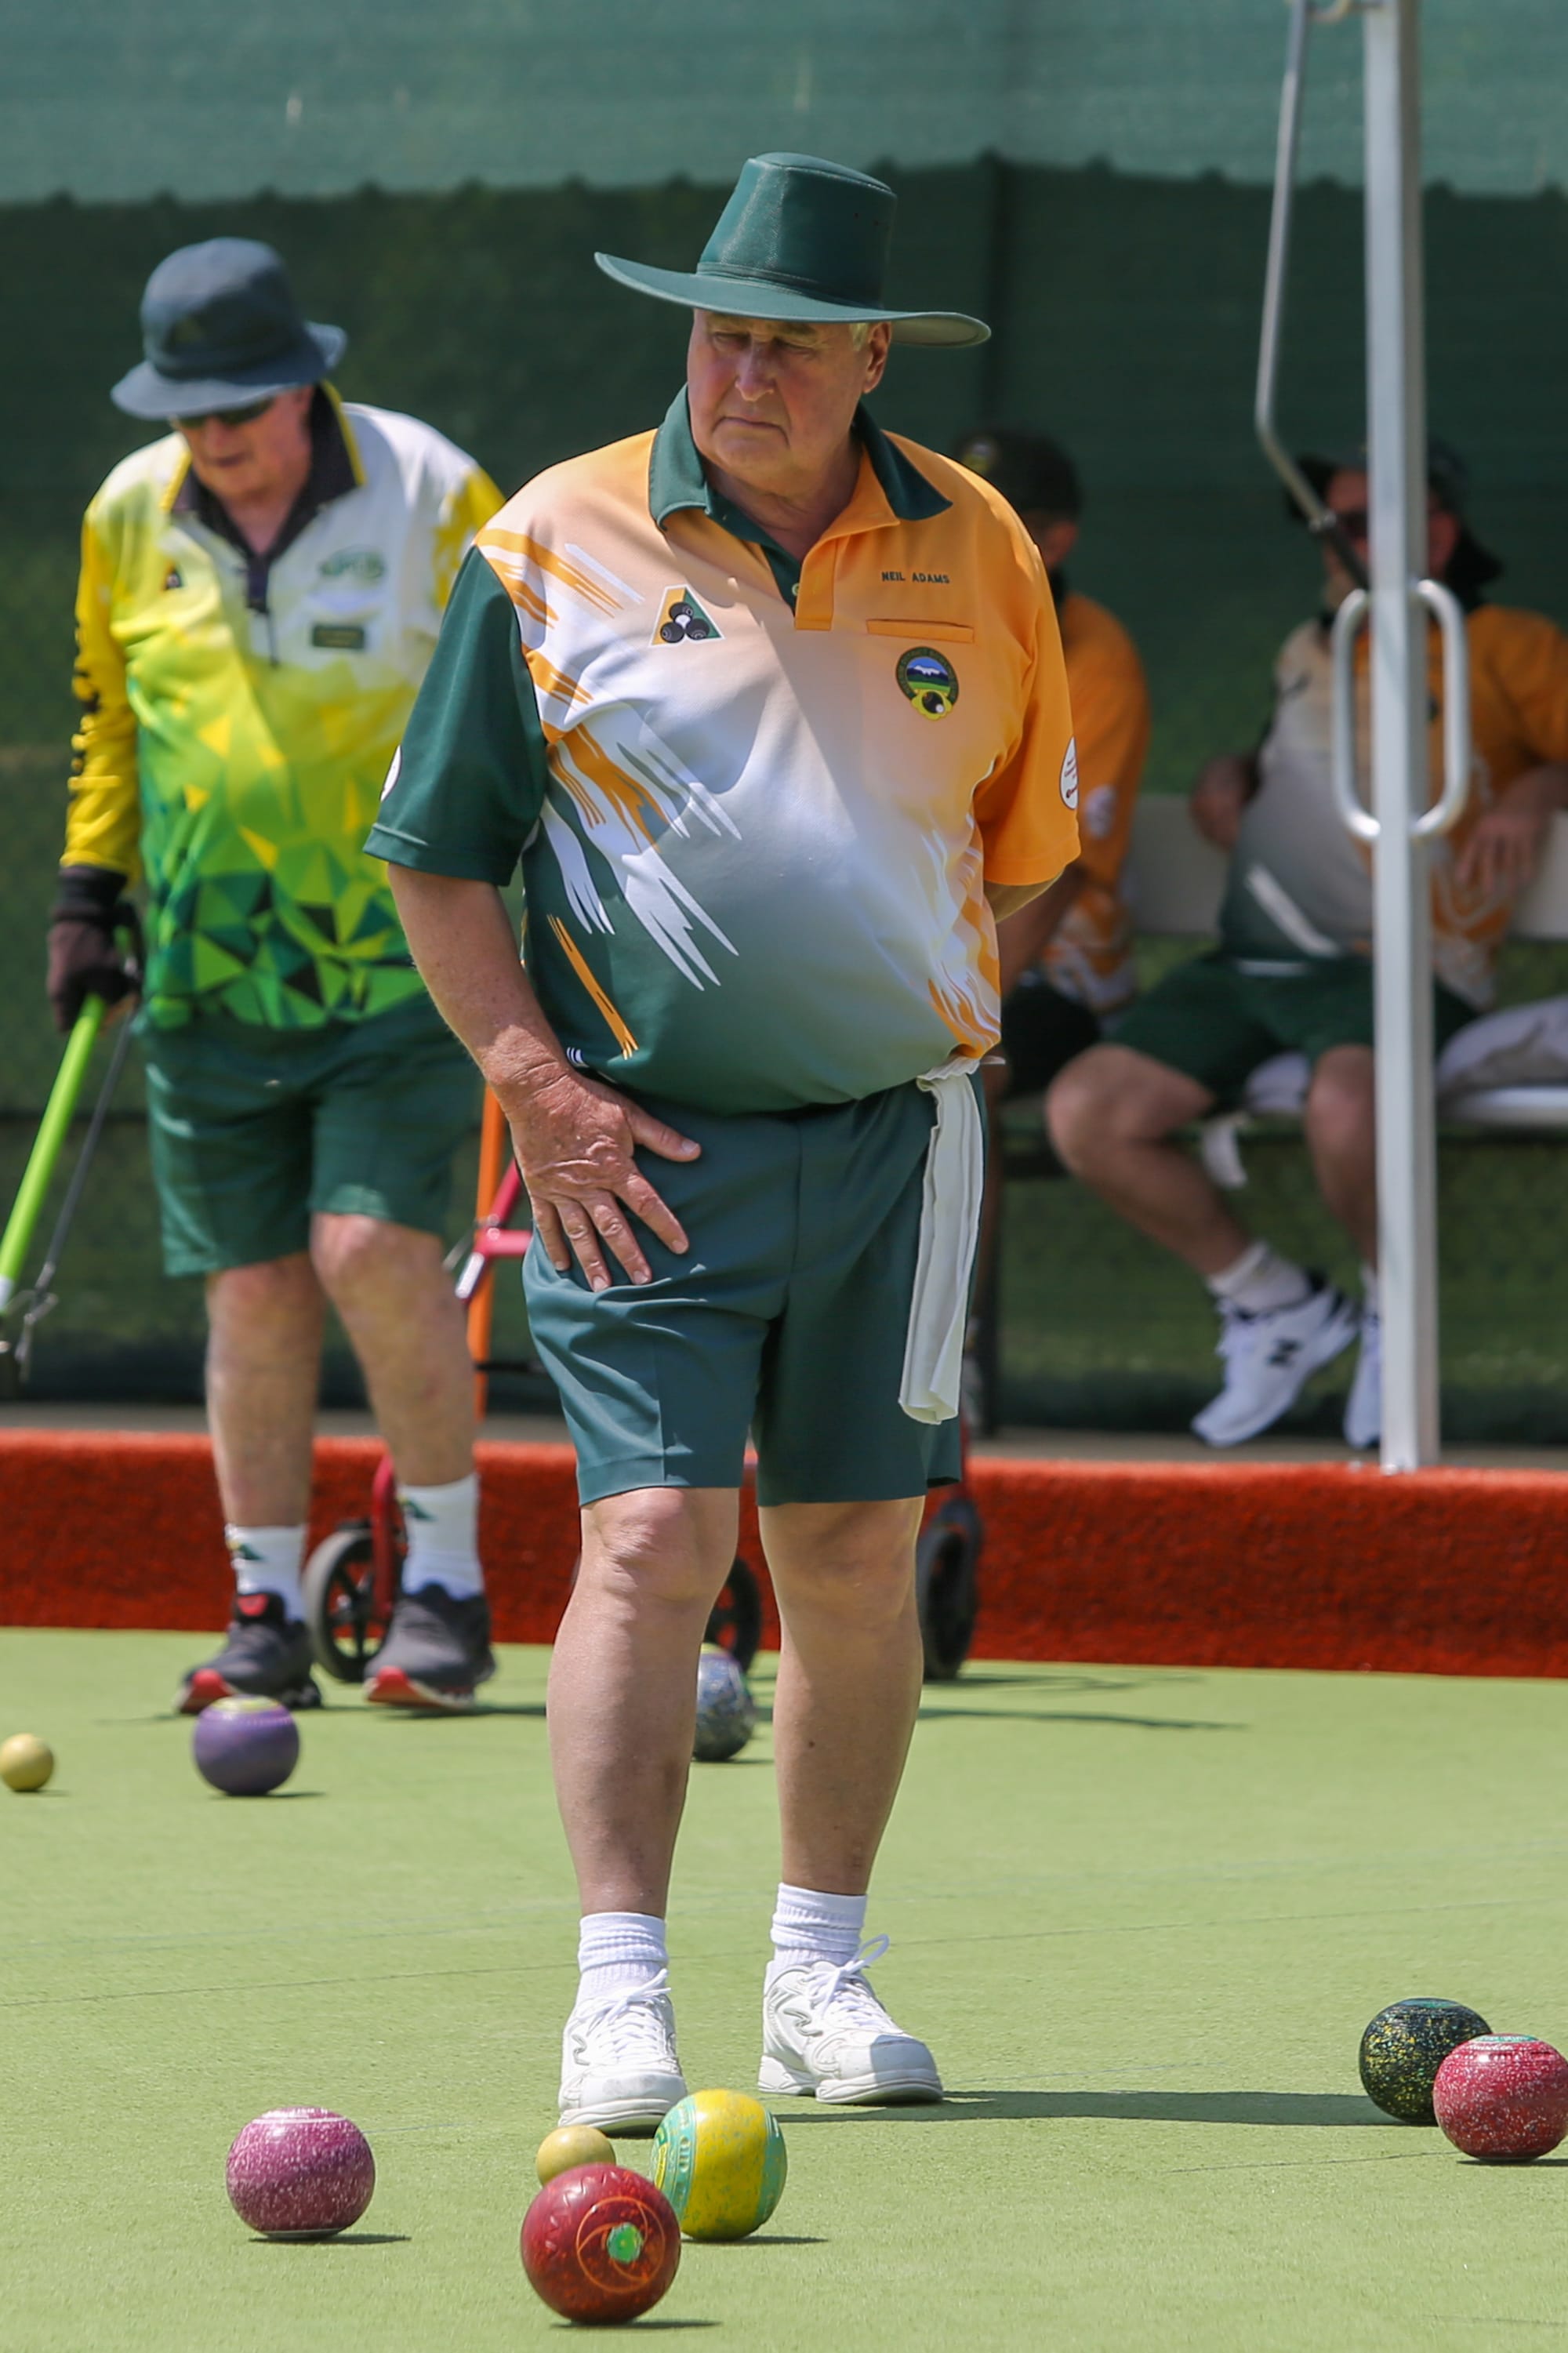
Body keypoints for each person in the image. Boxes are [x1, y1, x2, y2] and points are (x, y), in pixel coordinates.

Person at [368, 153, 1078, 2126]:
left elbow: (1024, 847)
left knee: (852, 1550)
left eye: (782, 338)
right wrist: (536, 1084)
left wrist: (926, 1022)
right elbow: (438, 860)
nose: (738, 367)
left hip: (894, 1149)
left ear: (867, 356)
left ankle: (817, 1978)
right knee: (655, 1539)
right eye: (714, 327)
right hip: (633, 1151)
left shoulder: (985, 543)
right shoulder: (550, 536)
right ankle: (615, 1991)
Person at [50, 238, 504, 1712]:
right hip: (202, 971)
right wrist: (87, 892)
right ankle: (261, 1608)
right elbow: (105, 722)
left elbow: (534, 705)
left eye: (237, 406)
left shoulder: (440, 492)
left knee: (365, 1251)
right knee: (250, 1292)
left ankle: (445, 1582)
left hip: (403, 959)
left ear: (305, 380)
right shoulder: (126, 511)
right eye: (185, 411)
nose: (211, 438)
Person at [1047, 444, 1568, 1449]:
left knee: (1343, 1108)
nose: (1334, 544)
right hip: (1257, 960)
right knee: (1086, 1108)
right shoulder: (1308, 644)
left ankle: (1390, 1314)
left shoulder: (1502, 643)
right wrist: (1232, 769)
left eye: (1359, 523)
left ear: (1438, 534)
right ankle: (1277, 1302)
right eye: (1325, 525)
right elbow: (1303, 760)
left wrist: (1537, 787)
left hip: (1398, 959)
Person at [950, 430, 1149, 1419]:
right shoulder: (915, 601)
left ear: (1054, 539)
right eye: (959, 497)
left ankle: (955, 1349)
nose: (970, 522)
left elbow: (1061, 874)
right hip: (922, 943)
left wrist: (959, 1012)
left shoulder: (1097, 656)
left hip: (1054, 971)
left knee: (959, 1078)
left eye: (1002, 511)